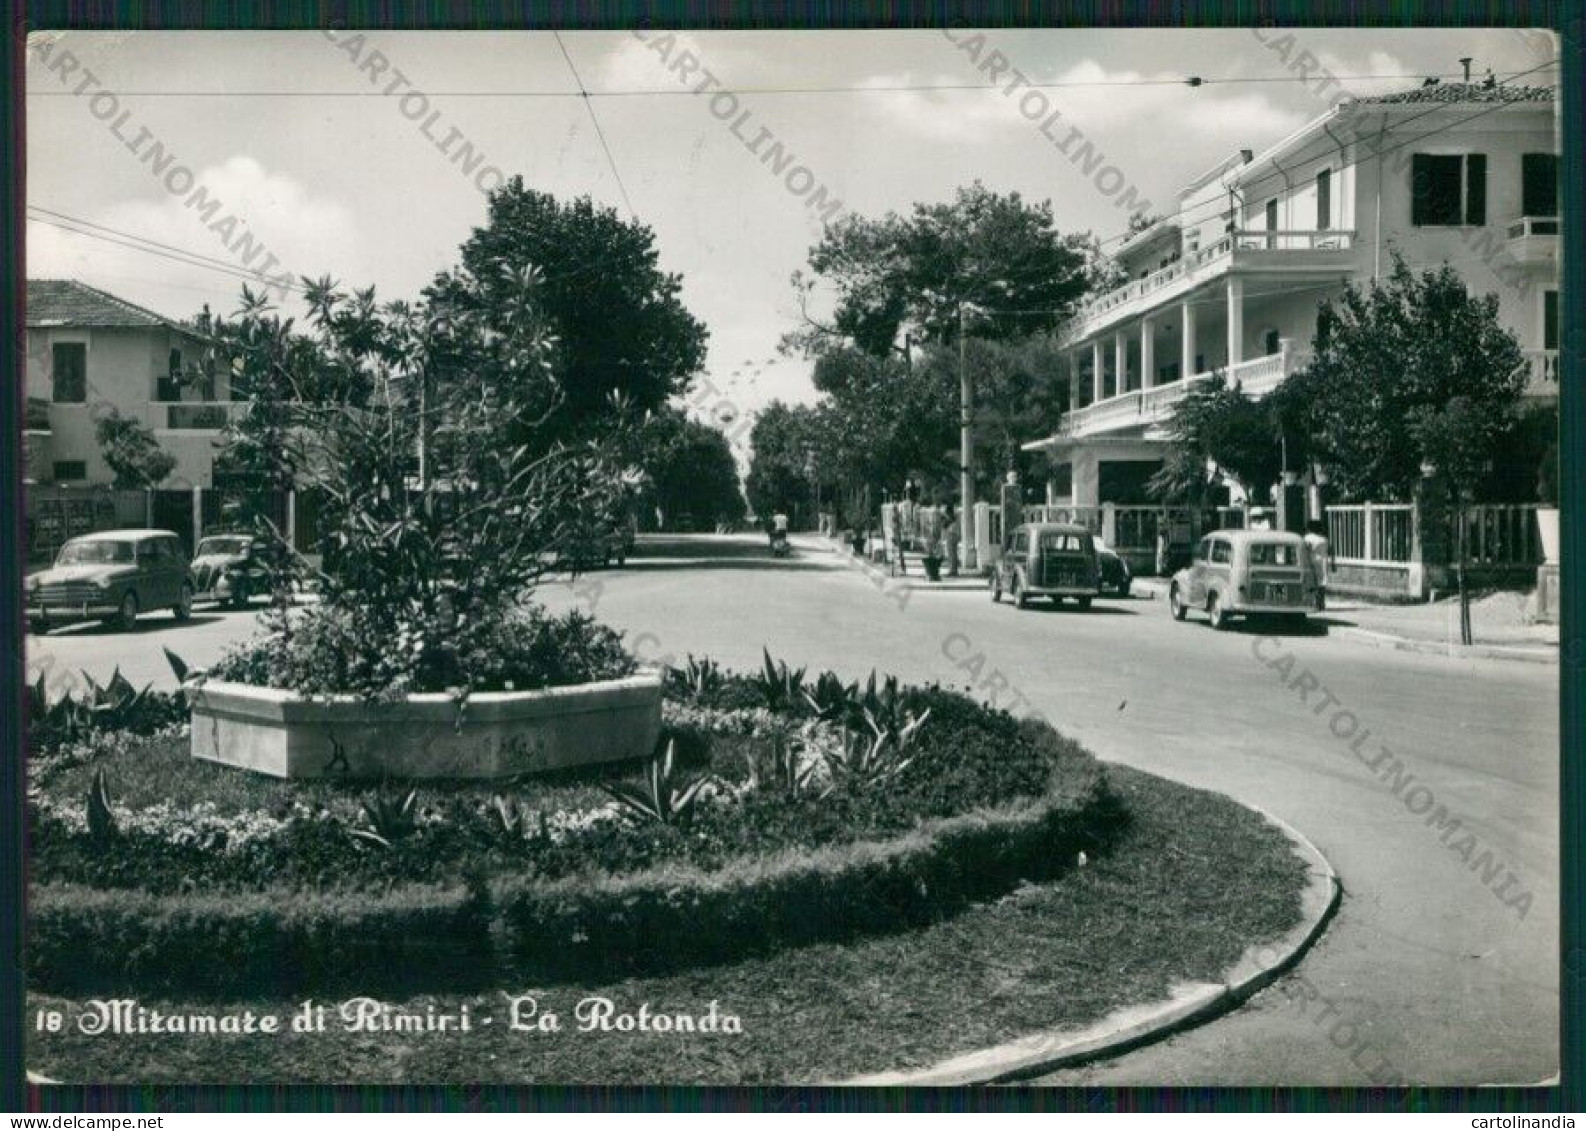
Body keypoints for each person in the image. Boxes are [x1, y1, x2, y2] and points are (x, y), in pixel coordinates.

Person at [1303, 520, 1330, 610]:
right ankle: (1321, 602)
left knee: (1312, 580)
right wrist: (1333, 563)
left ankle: (1312, 602)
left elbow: (1306, 549)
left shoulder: (1307, 538)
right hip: (1323, 561)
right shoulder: (1324, 539)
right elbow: (1330, 551)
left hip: (1311, 560)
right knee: (1322, 581)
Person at [942, 503, 961, 576]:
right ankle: (953, 569)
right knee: (952, 554)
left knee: (952, 554)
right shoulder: (953, 519)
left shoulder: (951, 519)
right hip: (952, 536)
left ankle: (953, 570)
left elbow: (947, 527)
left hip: (952, 536)